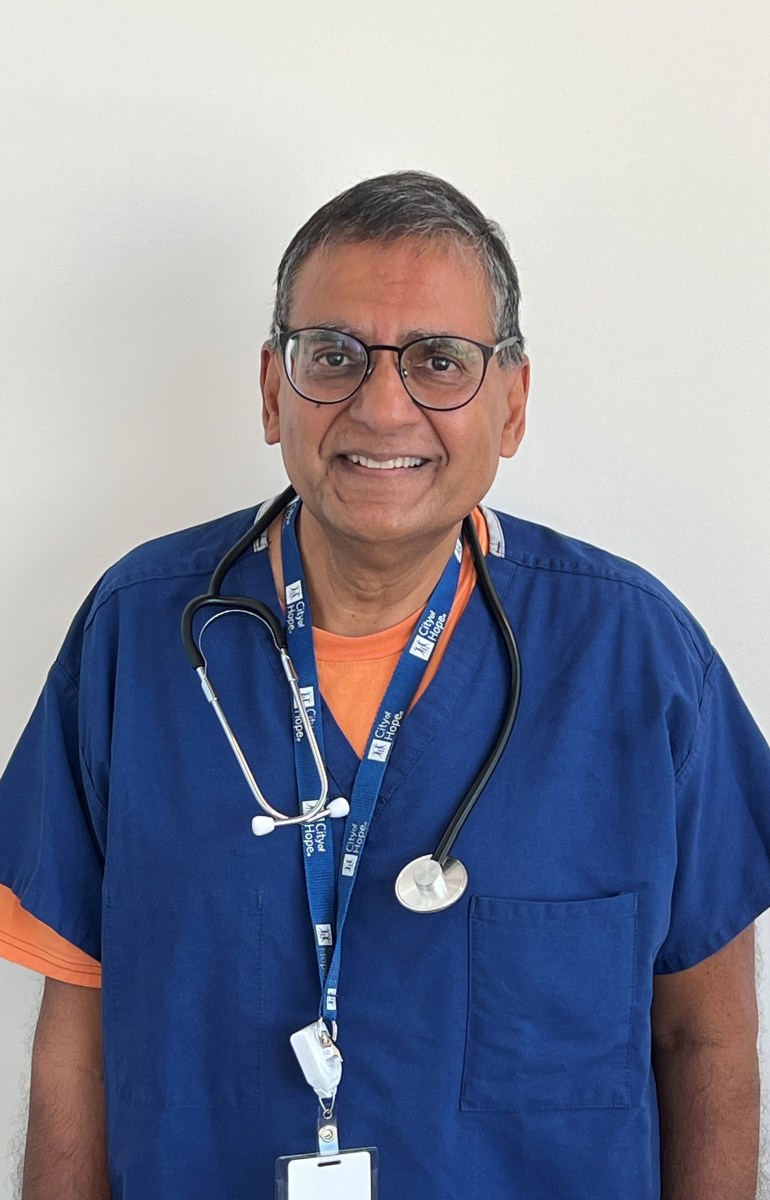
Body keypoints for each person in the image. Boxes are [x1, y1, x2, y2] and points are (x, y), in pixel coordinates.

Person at [0, 170, 768, 1200]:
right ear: (273, 391)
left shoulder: (636, 658)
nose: (381, 404)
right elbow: (75, 1051)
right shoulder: (134, 637)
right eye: (334, 356)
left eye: (438, 362)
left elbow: (702, 1041)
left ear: (512, 403)